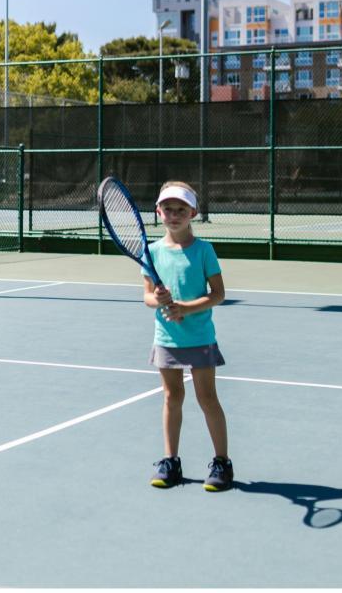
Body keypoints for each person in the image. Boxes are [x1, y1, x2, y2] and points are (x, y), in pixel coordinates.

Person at [142, 180, 233, 492]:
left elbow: (218, 294)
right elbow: (147, 297)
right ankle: (171, 461)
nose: (174, 214)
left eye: (181, 209)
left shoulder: (204, 250)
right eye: (168, 208)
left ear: (193, 212)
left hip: (200, 337)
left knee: (207, 398)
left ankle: (221, 462)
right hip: (166, 337)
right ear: (159, 212)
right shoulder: (151, 251)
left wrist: (185, 308)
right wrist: (160, 299)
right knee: (172, 397)